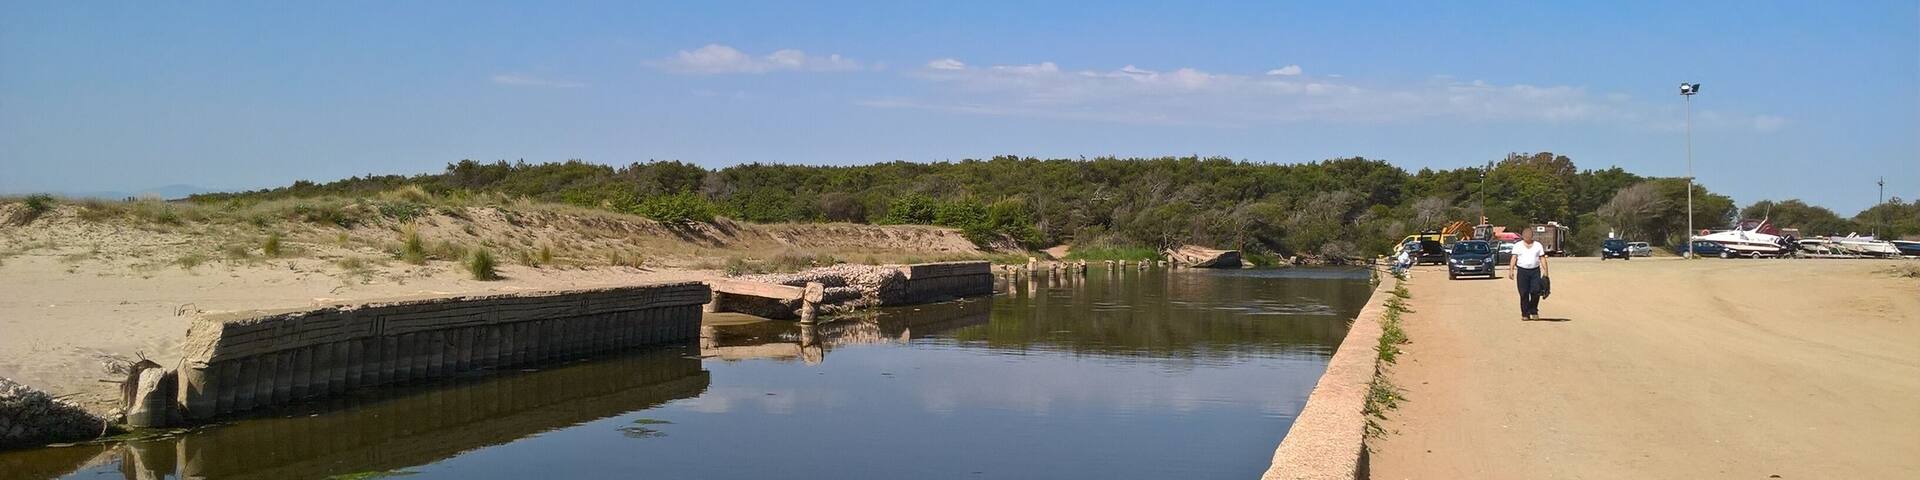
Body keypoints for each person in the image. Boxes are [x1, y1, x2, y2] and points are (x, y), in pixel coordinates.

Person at [1509, 228, 1549, 320]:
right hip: (1522, 272)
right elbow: (1514, 258)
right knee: (1524, 293)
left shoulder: (1538, 245)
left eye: (1529, 234)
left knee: (1536, 291)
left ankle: (1533, 310)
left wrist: (1546, 272)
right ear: (1523, 236)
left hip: (1535, 271)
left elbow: (1542, 258)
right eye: (1525, 235)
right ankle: (1525, 314)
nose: (1527, 236)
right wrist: (1511, 270)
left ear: (1532, 235)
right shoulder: (1517, 245)